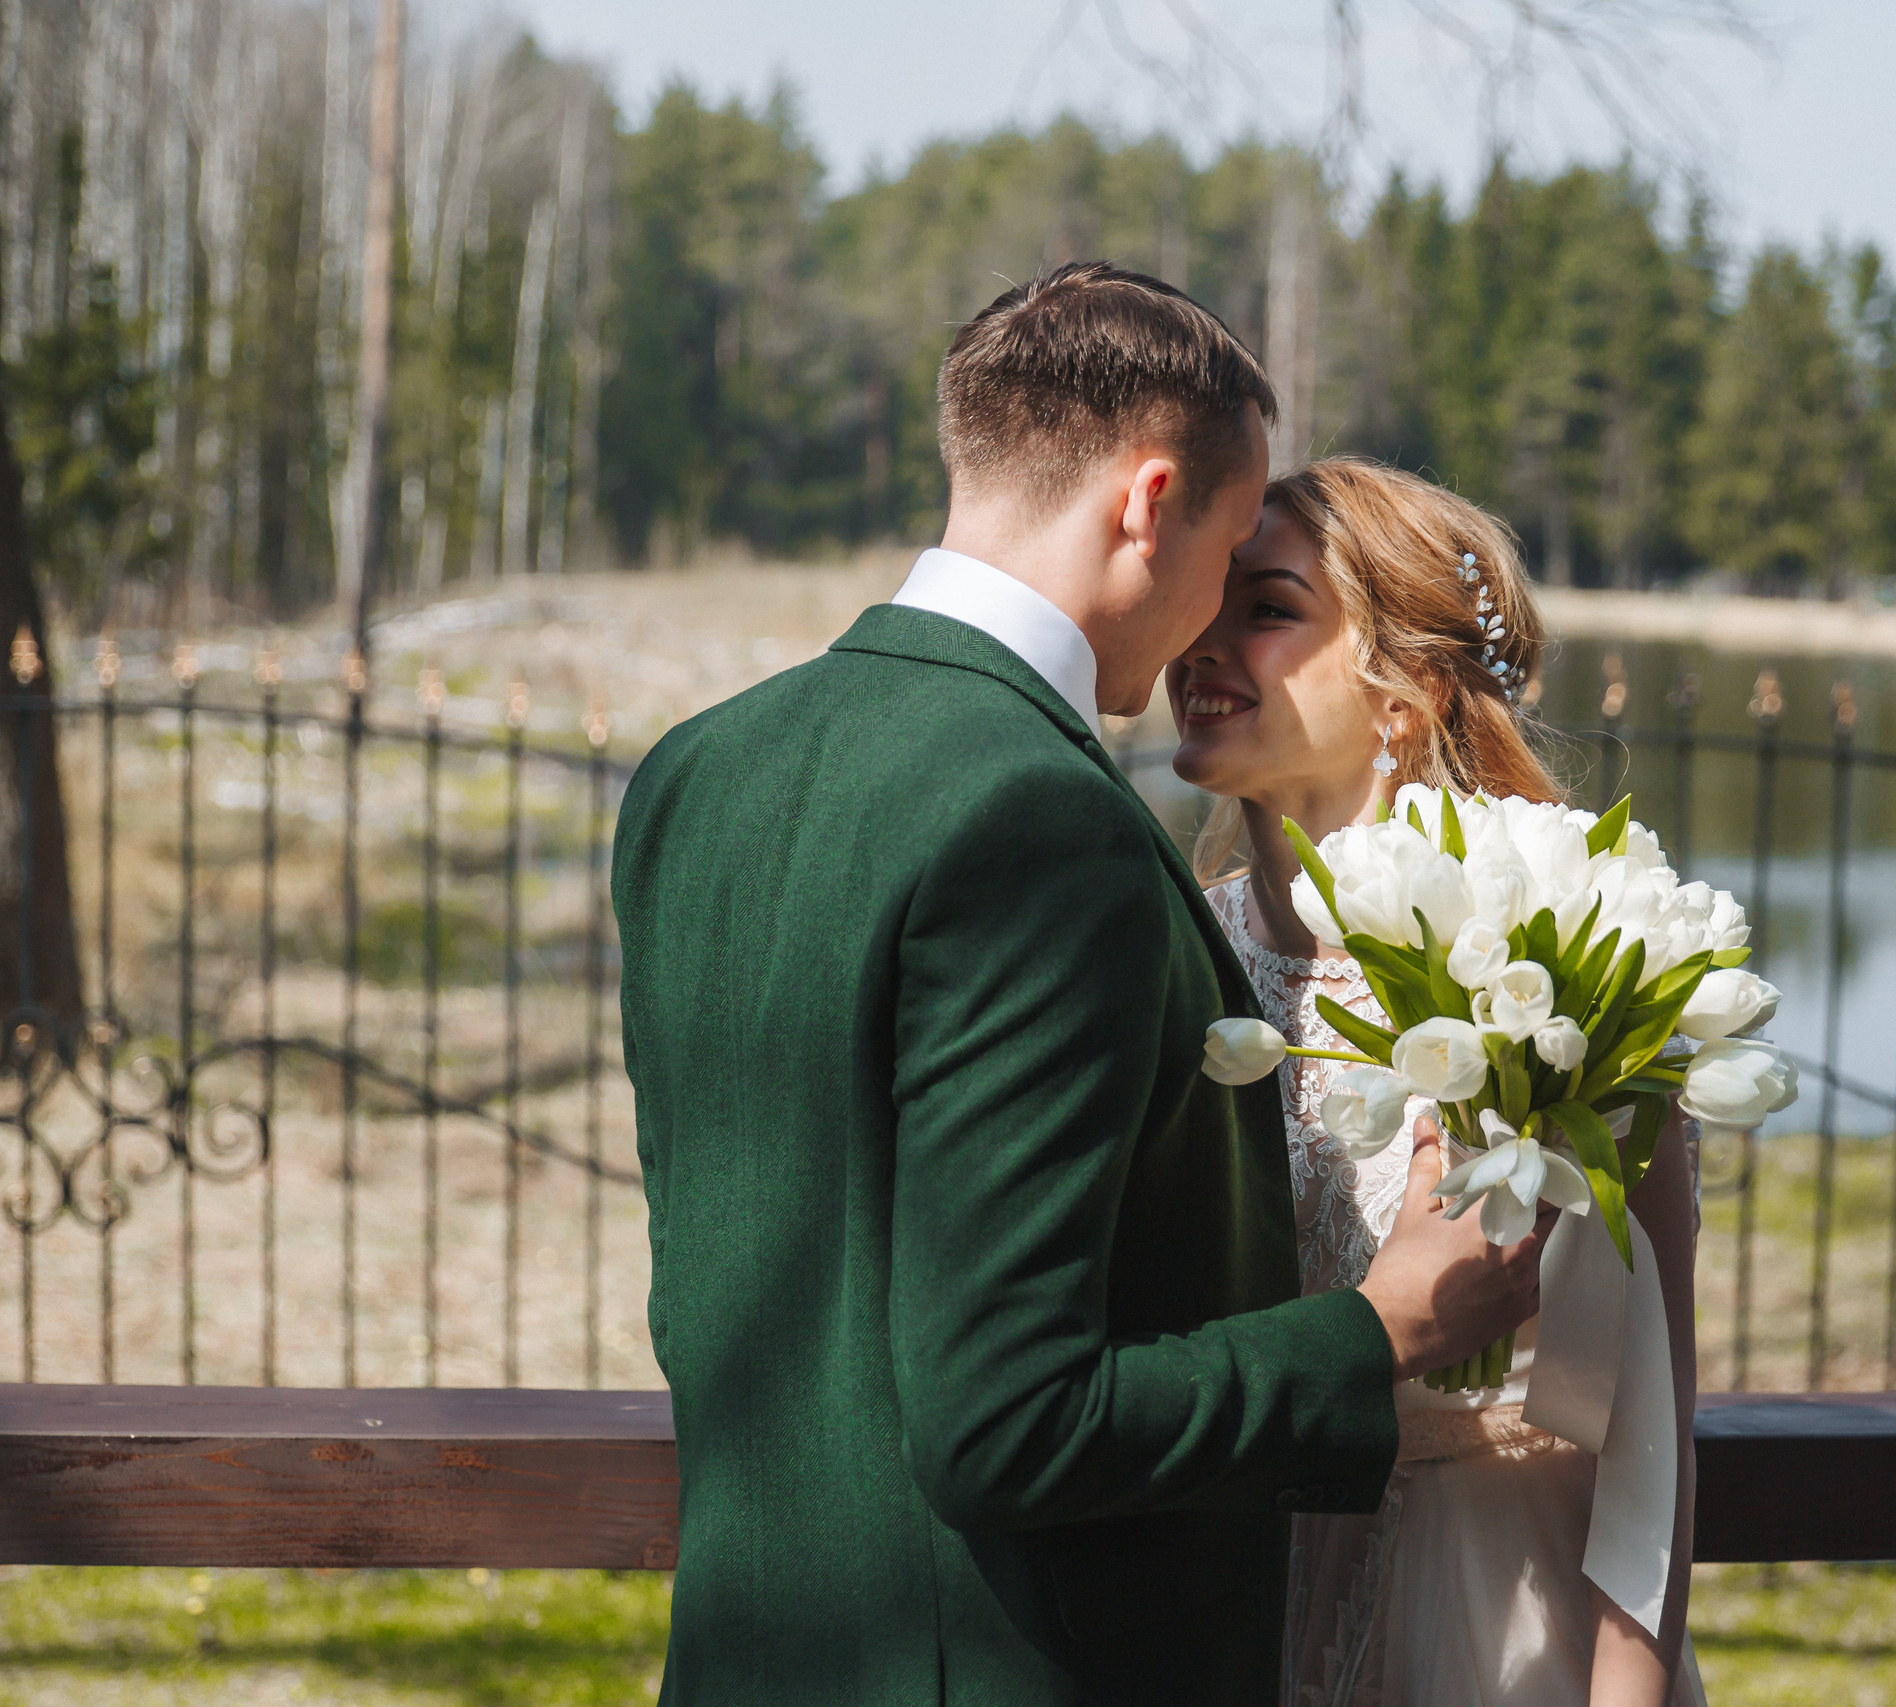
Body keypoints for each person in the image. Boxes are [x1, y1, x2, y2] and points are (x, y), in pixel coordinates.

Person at [614, 266, 1553, 1705]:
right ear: (1145, 501)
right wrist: (1384, 1326)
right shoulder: (1037, 820)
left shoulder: (699, 770)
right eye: (1228, 548)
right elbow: (1007, 1418)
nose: (1205, 628)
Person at [1168, 456, 1707, 1706]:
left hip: (1494, 1619)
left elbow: (1648, 1426)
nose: (1204, 638)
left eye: (1267, 606)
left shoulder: (1564, 965)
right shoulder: (1173, 954)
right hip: (1222, 1601)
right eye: (1208, 596)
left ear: (1401, 695)